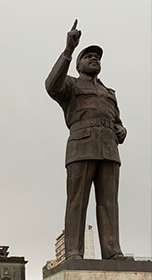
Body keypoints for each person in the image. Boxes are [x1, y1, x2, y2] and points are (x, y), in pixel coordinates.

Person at [45, 20, 132, 261]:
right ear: (79, 64)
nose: (95, 59)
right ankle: (73, 252)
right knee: (77, 202)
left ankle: (113, 251)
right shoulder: (70, 85)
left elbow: (117, 120)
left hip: (109, 149)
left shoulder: (109, 93)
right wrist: (68, 50)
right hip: (81, 146)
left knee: (109, 203)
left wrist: (121, 129)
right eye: (89, 56)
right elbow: (51, 86)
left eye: (98, 57)